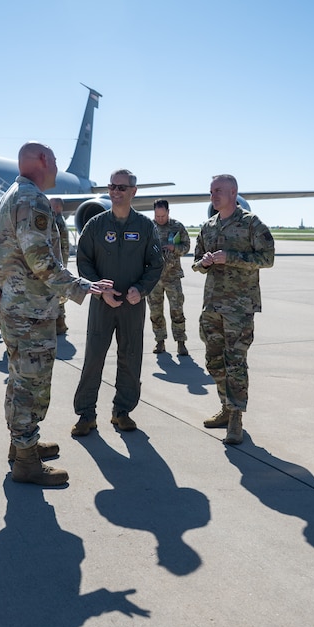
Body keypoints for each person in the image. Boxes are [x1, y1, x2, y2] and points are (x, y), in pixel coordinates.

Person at [0, 143, 112, 486]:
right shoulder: (31, 199)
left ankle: (22, 445)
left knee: (19, 380)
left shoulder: (13, 195)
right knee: (31, 385)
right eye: (53, 160)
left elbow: (4, 256)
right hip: (31, 312)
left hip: (19, 308)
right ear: (43, 160)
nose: (56, 168)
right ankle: (26, 461)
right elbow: (41, 262)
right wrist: (85, 287)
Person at [71, 169, 163, 437]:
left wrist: (141, 289)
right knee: (93, 359)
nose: (115, 191)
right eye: (112, 186)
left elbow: (156, 264)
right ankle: (86, 415)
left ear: (133, 191)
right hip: (102, 304)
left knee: (130, 358)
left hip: (132, 305)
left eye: (122, 187)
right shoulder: (96, 225)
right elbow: (84, 261)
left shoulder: (145, 226)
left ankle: (122, 412)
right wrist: (99, 290)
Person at [192, 174, 275, 445]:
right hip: (212, 305)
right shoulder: (208, 226)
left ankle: (236, 417)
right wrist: (203, 263)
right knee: (213, 361)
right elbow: (194, 263)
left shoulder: (251, 223)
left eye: (218, 191)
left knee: (236, 362)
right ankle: (226, 407)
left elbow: (267, 258)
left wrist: (232, 258)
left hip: (239, 307)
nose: (213, 195)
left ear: (233, 193)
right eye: (211, 191)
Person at [147, 199, 191, 355]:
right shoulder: (149, 227)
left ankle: (181, 342)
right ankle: (160, 342)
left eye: (163, 216)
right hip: (154, 278)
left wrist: (174, 248)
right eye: (157, 216)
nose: (160, 219)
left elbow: (186, 246)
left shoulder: (177, 226)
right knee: (155, 312)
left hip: (173, 276)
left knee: (177, 310)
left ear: (168, 212)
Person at [50, 198, 72, 334]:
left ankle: (59, 322)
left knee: (56, 293)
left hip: (57, 262)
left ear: (57, 207)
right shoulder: (61, 220)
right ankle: (60, 322)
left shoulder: (56, 221)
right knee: (59, 292)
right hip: (61, 261)